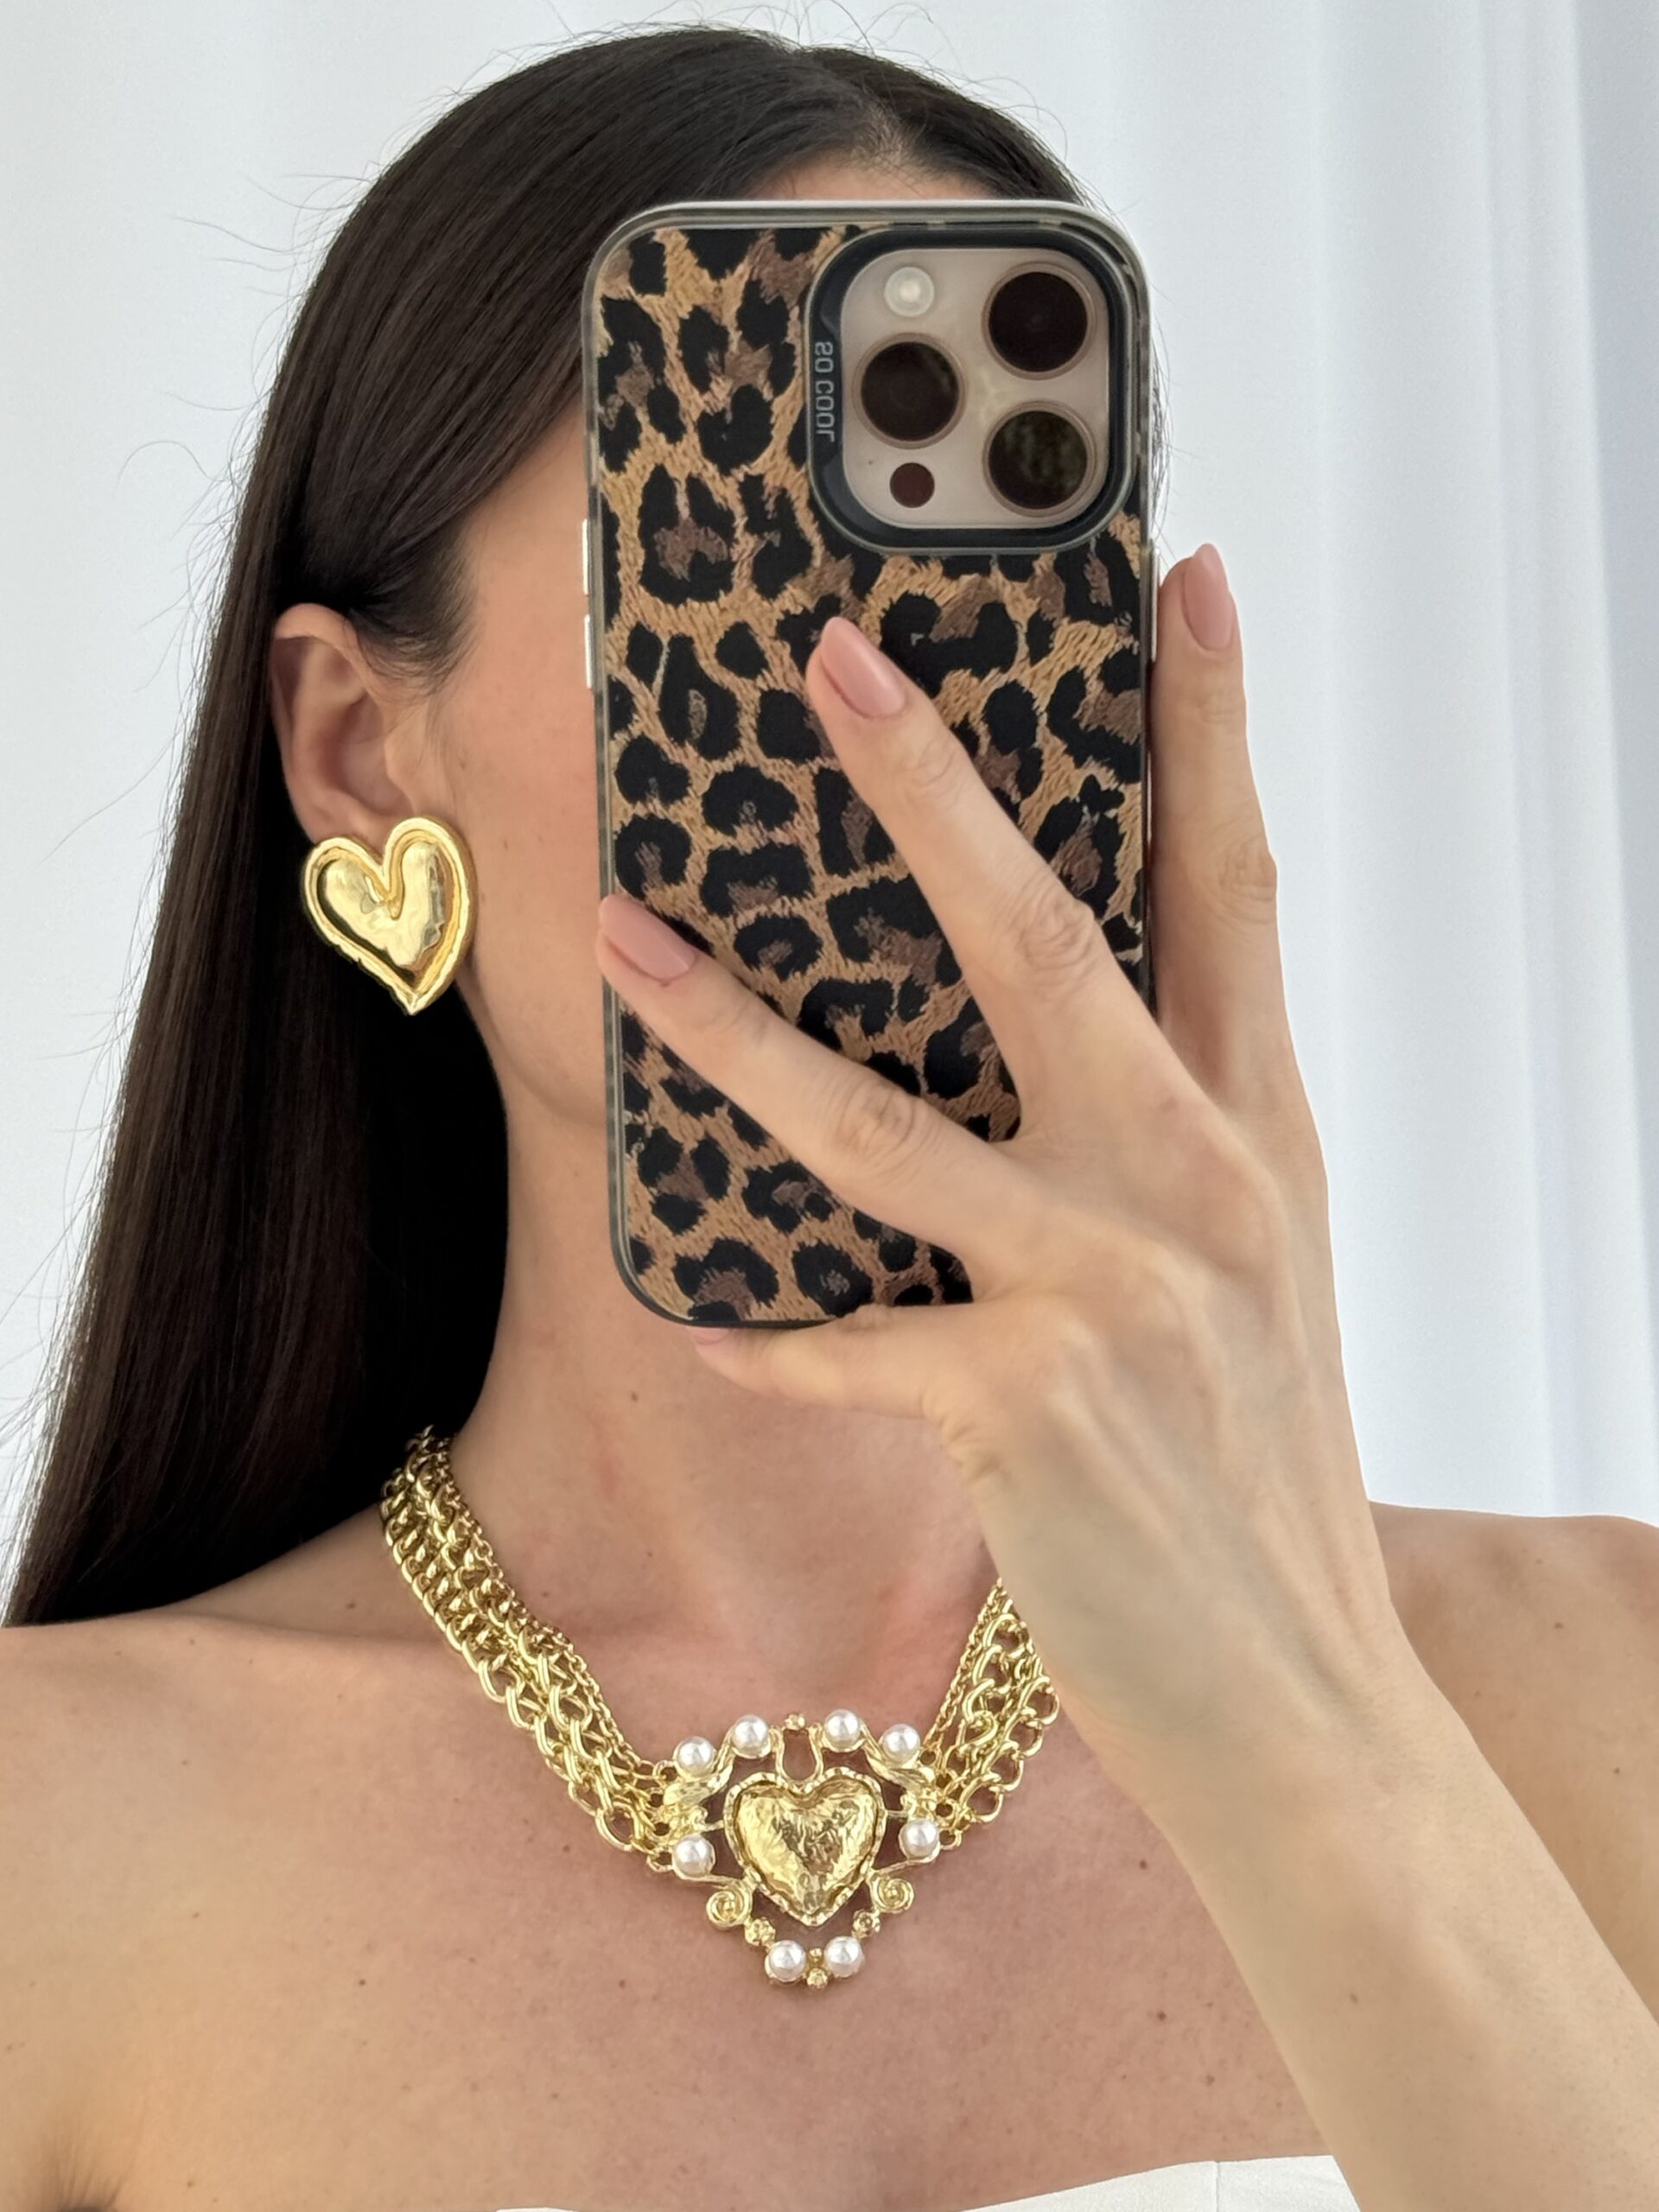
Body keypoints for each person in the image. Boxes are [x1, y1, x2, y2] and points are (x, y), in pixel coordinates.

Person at [3, 24, 1657, 2212]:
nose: (889, 734)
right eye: (725, 573)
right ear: (359, 752)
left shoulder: (1606, 1690)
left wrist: (1312, 1720)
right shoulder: (57, 1840)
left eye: (986, 592)